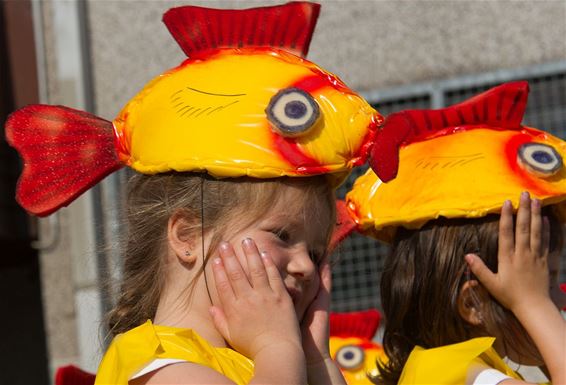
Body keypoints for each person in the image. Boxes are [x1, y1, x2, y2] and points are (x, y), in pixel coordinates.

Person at [4, 2, 381, 385]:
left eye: (316, 253)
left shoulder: (267, 364)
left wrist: (316, 361)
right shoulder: (167, 371)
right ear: (187, 236)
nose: (305, 266)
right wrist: (276, 346)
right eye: (282, 235)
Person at [341, 82, 566, 384]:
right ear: (473, 303)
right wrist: (535, 307)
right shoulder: (465, 375)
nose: (556, 302)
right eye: (543, 282)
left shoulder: (441, 367)